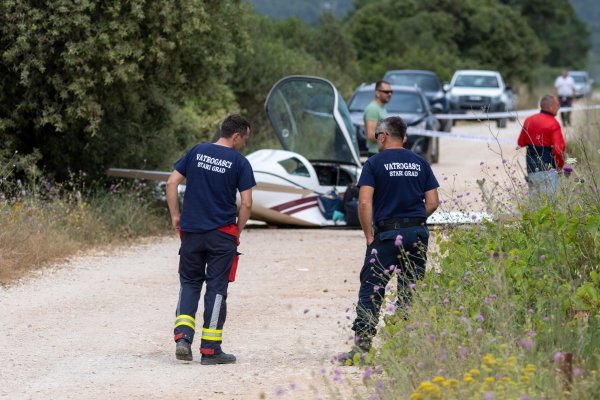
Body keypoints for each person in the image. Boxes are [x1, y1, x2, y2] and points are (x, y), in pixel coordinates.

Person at [341, 116, 439, 364]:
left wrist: (368, 235)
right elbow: (433, 202)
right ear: (403, 137)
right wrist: (415, 219)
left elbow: (364, 202)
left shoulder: (374, 164)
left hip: (386, 235)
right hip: (417, 233)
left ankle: (362, 349)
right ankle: (405, 348)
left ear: (383, 136)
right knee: (410, 289)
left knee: (372, 289)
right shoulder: (420, 162)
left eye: (377, 137)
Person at [166, 114, 255, 365]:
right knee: (216, 290)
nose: (243, 144)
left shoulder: (197, 151)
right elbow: (247, 203)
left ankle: (183, 338)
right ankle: (210, 351)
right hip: (221, 235)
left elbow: (171, 183)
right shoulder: (239, 162)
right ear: (236, 135)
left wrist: (175, 216)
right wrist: (237, 230)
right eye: (244, 139)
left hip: (192, 232)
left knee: (190, 283)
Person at [517, 95, 566, 198]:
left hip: (531, 166)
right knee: (549, 202)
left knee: (535, 200)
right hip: (548, 167)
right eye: (558, 105)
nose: (559, 107)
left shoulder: (529, 120)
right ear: (551, 106)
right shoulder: (553, 123)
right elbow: (559, 150)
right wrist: (559, 166)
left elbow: (521, 142)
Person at [364, 80, 393, 156]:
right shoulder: (373, 109)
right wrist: (393, 138)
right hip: (376, 153)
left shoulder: (382, 108)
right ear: (377, 93)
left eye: (391, 91)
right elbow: (371, 135)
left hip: (383, 153)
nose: (389, 94)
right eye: (386, 92)